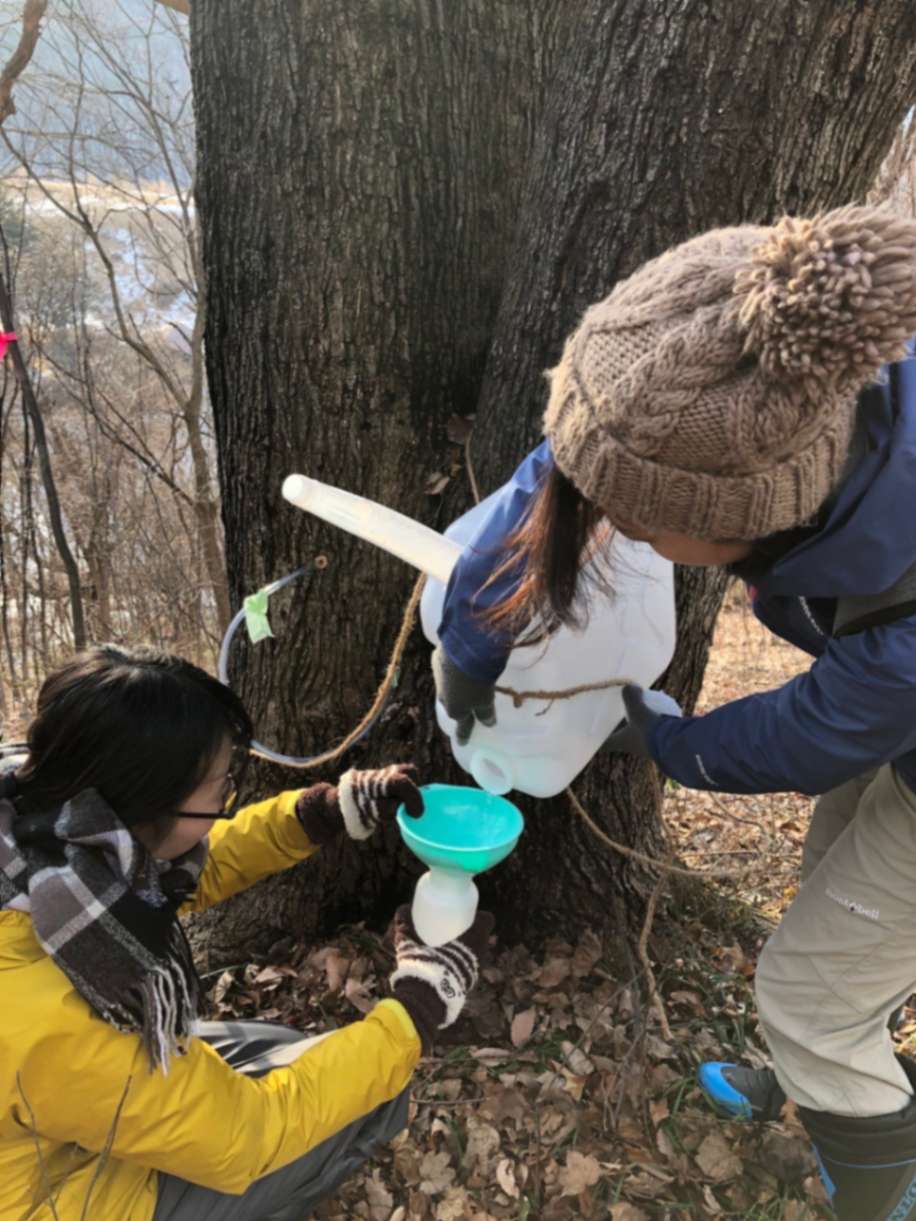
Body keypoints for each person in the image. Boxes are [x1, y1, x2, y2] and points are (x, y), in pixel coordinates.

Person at [433, 204, 916, 1220]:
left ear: (735, 522)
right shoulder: (756, 382)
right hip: (896, 719)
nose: (616, 529)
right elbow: (587, 451)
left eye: (638, 525)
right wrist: (472, 645)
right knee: (836, 891)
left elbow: (819, 726)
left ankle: (878, 1180)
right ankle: (823, 1076)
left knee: (810, 991)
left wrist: (670, 739)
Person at [0, 644, 493, 1221]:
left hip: (53, 1118)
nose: (227, 797)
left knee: (282, 1049)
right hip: (46, 1197)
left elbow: (169, 872)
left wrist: (317, 814)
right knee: (371, 1093)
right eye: (219, 790)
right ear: (147, 809)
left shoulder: (39, 820)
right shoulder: (51, 1022)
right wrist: (416, 1009)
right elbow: (248, 1135)